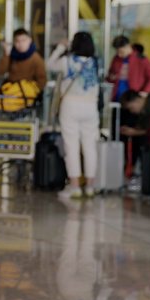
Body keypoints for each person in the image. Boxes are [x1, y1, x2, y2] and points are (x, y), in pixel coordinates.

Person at [48, 32, 102, 198]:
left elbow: (49, 65)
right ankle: (91, 186)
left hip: (70, 105)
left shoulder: (66, 61)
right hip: (90, 106)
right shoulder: (96, 63)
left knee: (71, 146)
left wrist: (60, 48)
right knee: (90, 147)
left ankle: (75, 187)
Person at [106, 35, 150, 102]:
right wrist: (111, 78)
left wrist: (145, 91)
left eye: (121, 52)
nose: (119, 55)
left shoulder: (141, 59)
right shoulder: (116, 59)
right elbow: (110, 75)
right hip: (117, 97)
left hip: (133, 98)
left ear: (128, 46)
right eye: (117, 52)